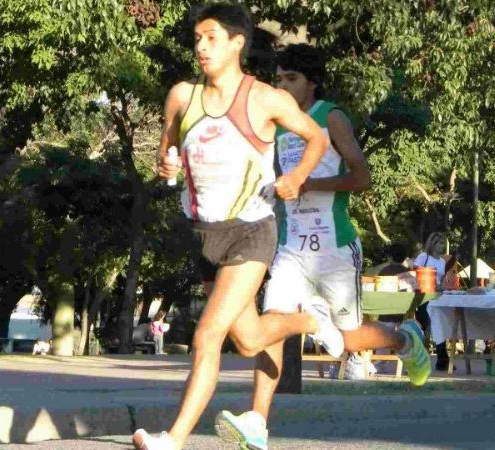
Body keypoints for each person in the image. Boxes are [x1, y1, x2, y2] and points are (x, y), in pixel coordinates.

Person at [132, 5, 345, 449]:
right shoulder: (181, 96)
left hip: (251, 231)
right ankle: (311, 319)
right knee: (247, 341)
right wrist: (165, 164)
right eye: (197, 39)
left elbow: (317, 137)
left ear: (237, 43)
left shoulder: (265, 98)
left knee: (207, 334)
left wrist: (296, 177)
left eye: (211, 38)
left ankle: (173, 438)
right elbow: (167, 151)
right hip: (203, 234)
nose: (201, 47)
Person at [213, 43, 431, 450]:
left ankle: (404, 340)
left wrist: (308, 182)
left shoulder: (331, 117)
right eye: (278, 79)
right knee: (273, 323)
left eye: (291, 79)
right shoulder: (277, 125)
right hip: (291, 248)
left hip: (335, 247)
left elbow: (362, 177)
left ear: (311, 83)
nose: (282, 86)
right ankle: (257, 422)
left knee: (348, 340)